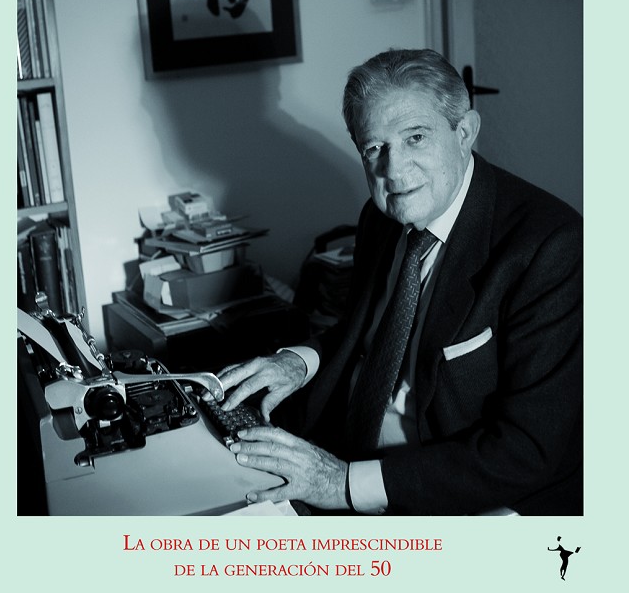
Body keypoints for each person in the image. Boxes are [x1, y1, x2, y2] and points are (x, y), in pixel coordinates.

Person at [218, 48, 583, 515]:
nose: (393, 170)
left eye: (415, 137)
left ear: (465, 132)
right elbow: (368, 334)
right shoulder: (381, 216)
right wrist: (297, 363)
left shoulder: (550, 246)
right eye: (374, 148)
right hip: (344, 453)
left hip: (456, 494)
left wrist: (341, 484)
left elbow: (525, 451)